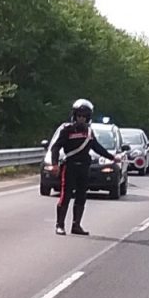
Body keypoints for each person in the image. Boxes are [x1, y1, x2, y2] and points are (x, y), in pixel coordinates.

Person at [46, 99, 115, 236]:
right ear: (74, 115)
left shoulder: (89, 132)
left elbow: (97, 147)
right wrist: (54, 164)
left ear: (88, 117)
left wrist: (112, 157)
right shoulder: (67, 130)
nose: (81, 118)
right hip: (70, 167)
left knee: (81, 196)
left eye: (84, 116)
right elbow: (55, 147)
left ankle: (76, 225)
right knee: (65, 196)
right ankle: (60, 225)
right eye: (79, 115)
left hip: (84, 167)